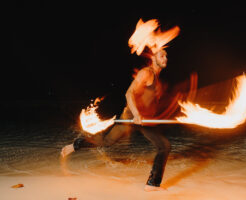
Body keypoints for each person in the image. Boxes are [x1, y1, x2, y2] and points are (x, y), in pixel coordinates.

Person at [61, 49, 171, 192]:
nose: (165, 58)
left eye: (166, 56)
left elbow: (149, 102)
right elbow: (129, 93)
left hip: (144, 121)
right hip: (130, 117)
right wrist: (136, 114)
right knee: (107, 142)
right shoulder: (146, 72)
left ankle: (152, 184)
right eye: (162, 55)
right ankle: (75, 145)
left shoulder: (158, 78)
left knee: (164, 146)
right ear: (153, 58)